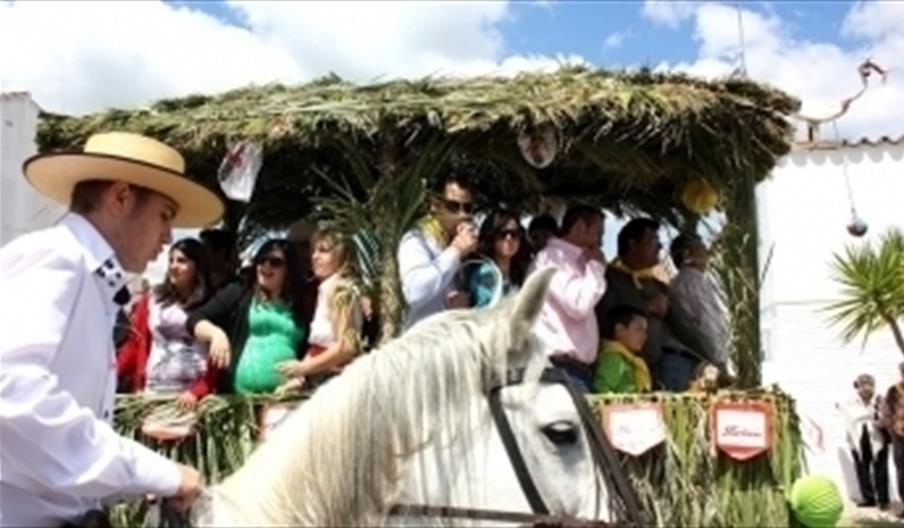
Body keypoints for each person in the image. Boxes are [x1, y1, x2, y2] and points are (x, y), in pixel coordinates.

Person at [0, 132, 222, 526]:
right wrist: (158, 473)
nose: (168, 236)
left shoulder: (86, 275)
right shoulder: (56, 257)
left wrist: (133, 479)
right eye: (165, 214)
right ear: (120, 198)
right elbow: (13, 391)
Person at [596, 218, 720, 391]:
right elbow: (602, 318)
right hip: (618, 369)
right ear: (633, 244)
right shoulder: (608, 278)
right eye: (653, 240)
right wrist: (647, 306)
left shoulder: (659, 286)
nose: (660, 246)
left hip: (654, 370)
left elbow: (683, 327)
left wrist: (711, 358)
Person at [187, 239, 308, 395]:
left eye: (275, 262)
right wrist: (215, 334)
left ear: (289, 269)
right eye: (261, 260)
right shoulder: (239, 293)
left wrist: (303, 376)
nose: (266, 266)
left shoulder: (300, 304)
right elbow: (195, 319)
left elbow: (311, 350)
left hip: (284, 398)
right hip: (238, 399)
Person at [116, 239, 219, 410]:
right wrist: (112, 372)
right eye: (171, 260)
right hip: (153, 394)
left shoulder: (213, 303)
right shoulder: (153, 300)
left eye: (181, 261)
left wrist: (198, 390)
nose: (174, 266)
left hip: (193, 401)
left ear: (197, 266)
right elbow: (135, 343)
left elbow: (218, 357)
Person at [529, 205, 607, 391]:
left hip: (575, 369)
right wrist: (596, 268)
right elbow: (577, 305)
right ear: (580, 227)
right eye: (598, 233)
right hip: (560, 367)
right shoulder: (552, 258)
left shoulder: (579, 261)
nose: (601, 242)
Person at [276, 227, 362, 391]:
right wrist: (300, 376)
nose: (315, 256)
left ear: (341, 255)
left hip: (336, 382)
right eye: (314, 251)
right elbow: (320, 347)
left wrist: (304, 368)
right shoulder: (327, 288)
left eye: (323, 251)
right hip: (322, 379)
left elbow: (347, 346)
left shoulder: (340, 290)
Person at [398, 173, 478, 330]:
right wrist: (456, 250)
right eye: (453, 206)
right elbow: (414, 292)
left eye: (467, 208)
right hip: (422, 339)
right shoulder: (416, 239)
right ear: (435, 205)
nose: (462, 214)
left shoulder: (459, 242)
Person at [668, 233, 731, 369]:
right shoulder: (692, 282)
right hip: (703, 357)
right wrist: (719, 360)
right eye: (701, 248)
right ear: (687, 255)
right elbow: (708, 323)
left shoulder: (682, 281)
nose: (707, 253)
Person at [837, 373, 890, 510]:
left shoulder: (880, 399)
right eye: (863, 385)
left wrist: (881, 420)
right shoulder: (850, 401)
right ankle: (868, 498)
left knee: (881, 470)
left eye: (869, 384)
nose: (866, 388)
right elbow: (844, 411)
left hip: (877, 436)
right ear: (858, 387)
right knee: (862, 469)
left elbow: (887, 415)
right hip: (858, 437)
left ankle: (883, 499)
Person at [466, 208, 530, 308]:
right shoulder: (484, 273)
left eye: (514, 234)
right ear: (491, 237)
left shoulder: (521, 271)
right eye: (502, 234)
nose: (509, 238)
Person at [591, 305, 651, 394]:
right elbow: (602, 389)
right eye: (639, 329)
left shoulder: (629, 360)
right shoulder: (612, 358)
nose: (644, 336)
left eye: (645, 331)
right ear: (620, 330)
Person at [881, 362, 904, 518]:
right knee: (902, 472)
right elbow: (886, 413)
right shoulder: (893, 391)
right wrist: (893, 430)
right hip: (900, 439)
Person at [199, 228, 238, 292]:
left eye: (205, 248)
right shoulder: (198, 286)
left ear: (221, 252)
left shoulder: (238, 288)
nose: (200, 253)